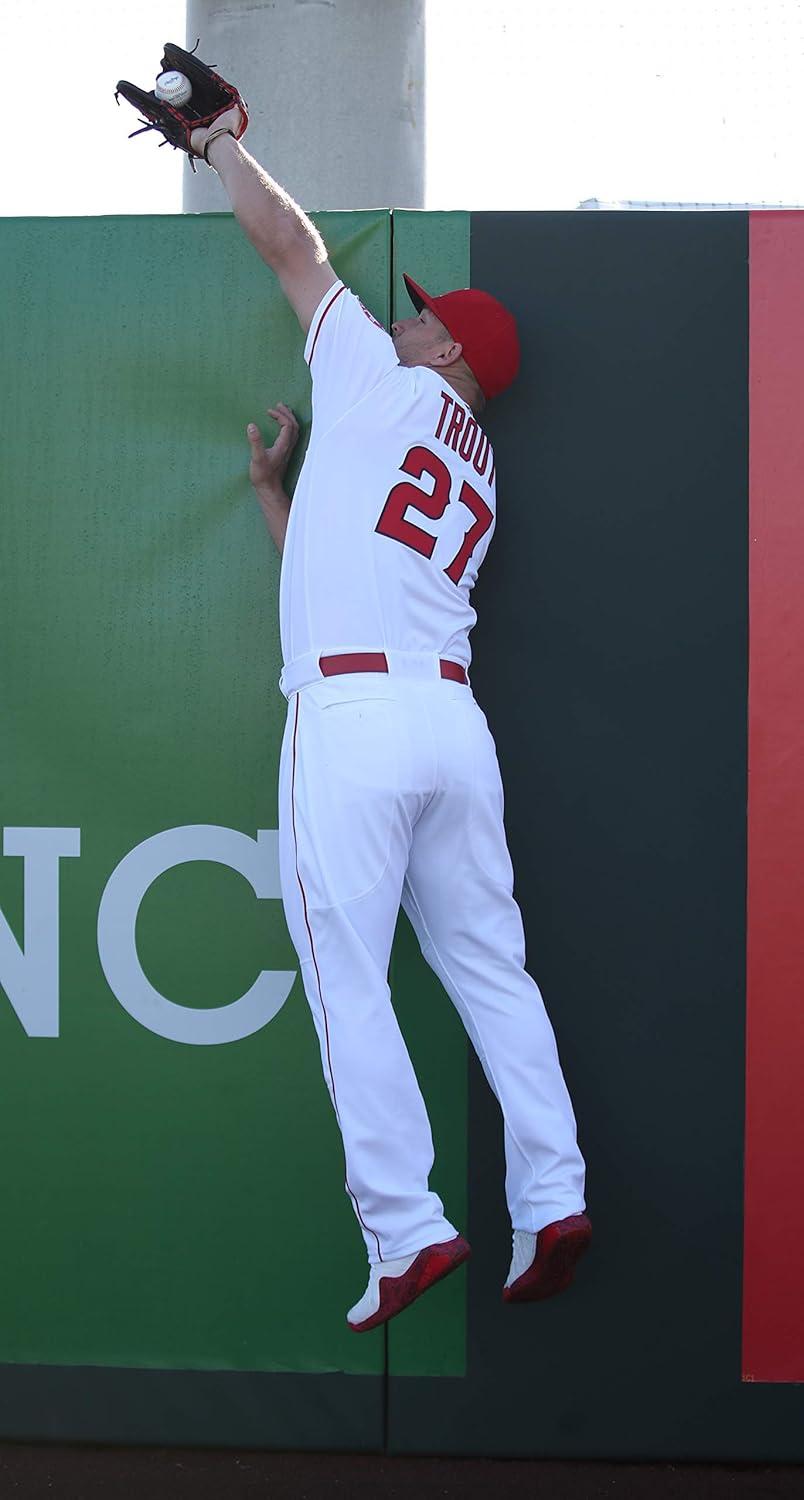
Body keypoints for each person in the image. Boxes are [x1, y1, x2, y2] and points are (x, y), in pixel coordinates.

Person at [189, 107, 592, 1332]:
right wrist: (282, 497)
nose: (404, 318)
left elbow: (289, 245)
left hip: (355, 719)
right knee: (492, 970)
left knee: (344, 976)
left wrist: (219, 146)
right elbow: (344, 570)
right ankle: (555, 1195)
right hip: (448, 723)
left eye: (424, 317)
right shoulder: (480, 468)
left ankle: (407, 1227)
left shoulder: (374, 372)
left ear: (449, 350)